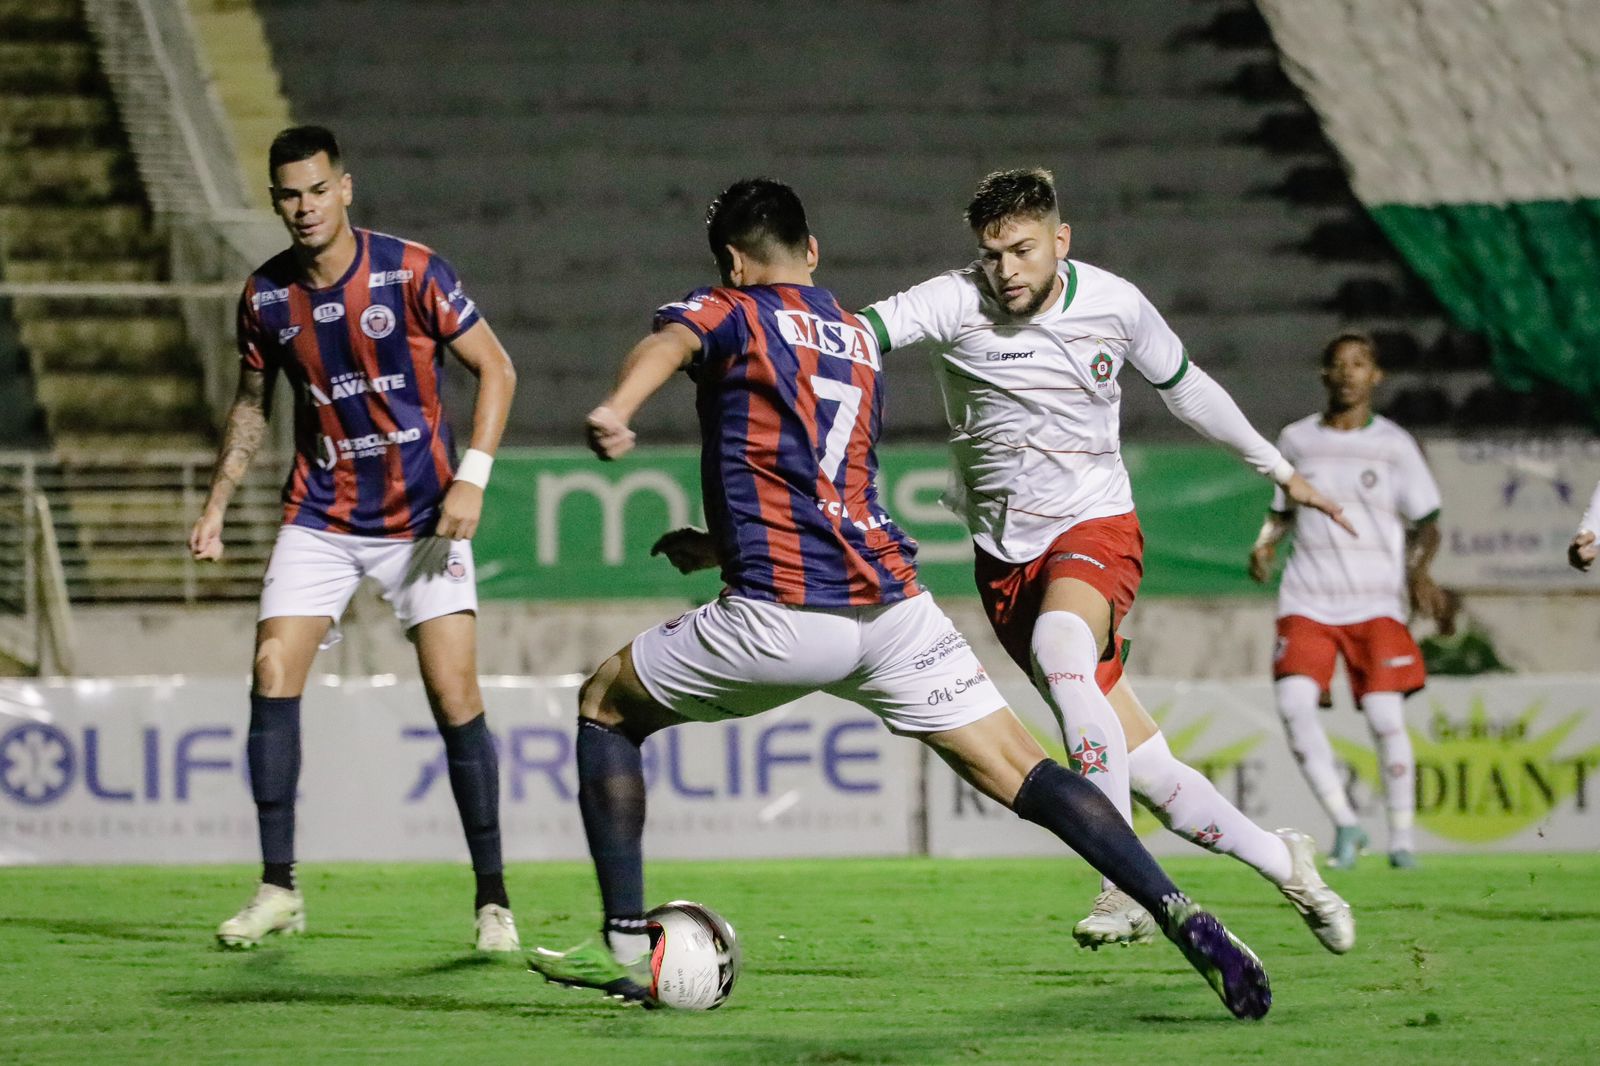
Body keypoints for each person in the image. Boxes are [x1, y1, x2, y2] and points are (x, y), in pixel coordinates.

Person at [527, 178, 1271, 1020]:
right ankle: (1178, 911)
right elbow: (816, 481)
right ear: (813, 253)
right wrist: (722, 541)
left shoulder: (731, 310)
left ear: (733, 263)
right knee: (1025, 768)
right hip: (893, 613)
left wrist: (618, 406)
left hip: (782, 615)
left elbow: (671, 342)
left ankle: (625, 945)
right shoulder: (852, 336)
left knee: (604, 704)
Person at [855, 168, 1355, 948]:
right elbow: (851, 337)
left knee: (1062, 651)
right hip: (1004, 558)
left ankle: (1123, 884)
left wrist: (1280, 471)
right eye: (992, 255)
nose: (1006, 271)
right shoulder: (953, 300)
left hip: (1095, 528)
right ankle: (1285, 862)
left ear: (1061, 240)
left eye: (1023, 250)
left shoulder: (1116, 305)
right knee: (1150, 772)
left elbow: (1188, 388)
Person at [187, 125, 520, 950]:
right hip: (323, 516)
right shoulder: (265, 297)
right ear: (276, 202)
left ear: (344, 188)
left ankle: (493, 901)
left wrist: (473, 477)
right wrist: (218, 501)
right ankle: (278, 889)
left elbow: (497, 368)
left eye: (316, 190)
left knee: (455, 696)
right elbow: (252, 405)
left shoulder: (412, 271)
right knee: (271, 670)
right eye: (288, 195)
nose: (304, 207)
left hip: (422, 517)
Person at [1249, 332, 1445, 869]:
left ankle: (1401, 840)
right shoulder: (1296, 439)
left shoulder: (1395, 445)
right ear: (1324, 375)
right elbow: (1282, 509)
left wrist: (1419, 574)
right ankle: (1346, 825)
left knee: (1383, 716)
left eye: (1359, 364)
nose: (1348, 373)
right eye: (1338, 364)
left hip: (1375, 600)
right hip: (1308, 597)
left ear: (1376, 376)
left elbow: (1428, 523)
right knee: (1294, 706)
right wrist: (1265, 544)